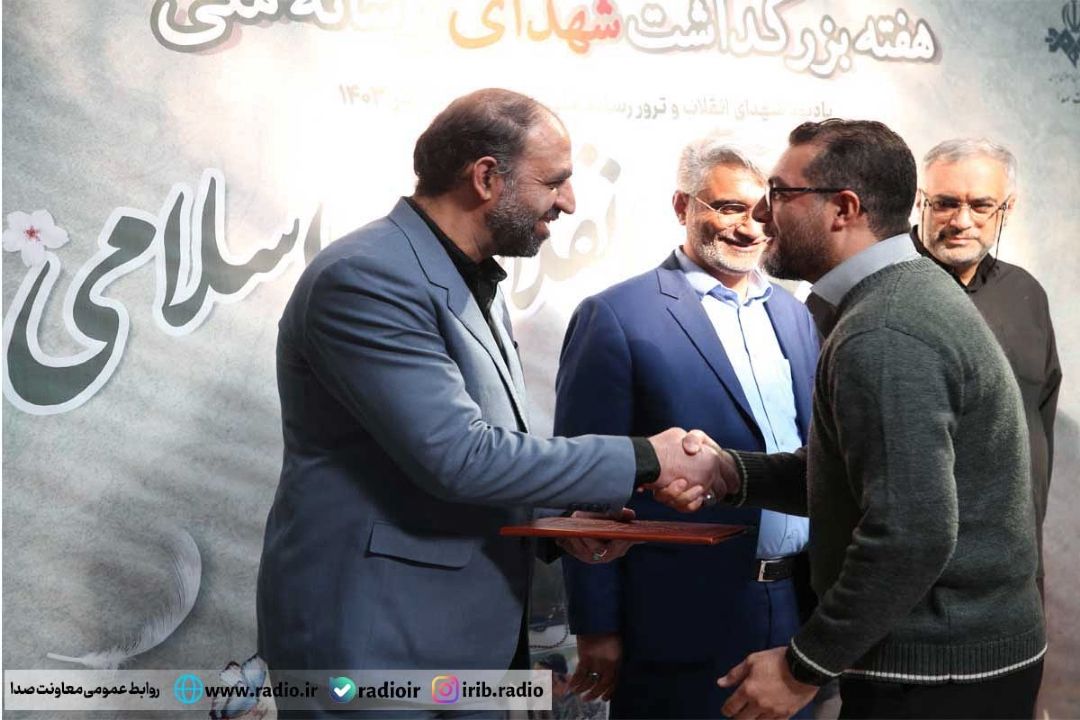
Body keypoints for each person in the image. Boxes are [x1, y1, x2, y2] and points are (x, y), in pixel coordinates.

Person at [255, 88, 712, 716]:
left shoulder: (467, 275)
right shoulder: (366, 277)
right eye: (554, 181)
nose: (570, 202)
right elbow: (459, 455)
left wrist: (558, 520)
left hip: (456, 641)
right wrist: (647, 458)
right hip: (374, 645)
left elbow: (470, 450)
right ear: (487, 177)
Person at [654, 119, 1046, 719]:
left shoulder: (885, 328)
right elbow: (862, 480)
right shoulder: (899, 296)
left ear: (844, 208)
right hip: (945, 665)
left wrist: (803, 666)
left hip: (935, 681)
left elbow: (910, 534)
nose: (762, 212)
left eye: (781, 193)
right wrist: (729, 472)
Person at [554, 138, 819, 719]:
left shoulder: (796, 315)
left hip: (795, 614)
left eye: (763, 211)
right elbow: (584, 484)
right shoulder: (616, 316)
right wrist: (598, 625)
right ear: (683, 206)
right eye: (729, 208)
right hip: (675, 619)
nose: (749, 227)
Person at [914, 138, 1061, 596]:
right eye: (944, 203)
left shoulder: (1025, 294)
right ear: (919, 201)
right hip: (912, 581)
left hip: (1014, 570)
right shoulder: (873, 288)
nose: (961, 221)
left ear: (1007, 208)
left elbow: (1040, 422)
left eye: (980, 206)